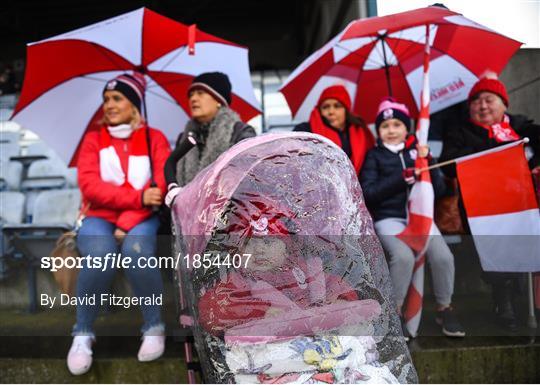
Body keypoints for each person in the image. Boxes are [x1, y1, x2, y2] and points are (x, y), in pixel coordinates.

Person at [68, 73, 171, 375]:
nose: (109, 105)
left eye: (117, 99)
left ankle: (154, 326)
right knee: (100, 255)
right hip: (99, 217)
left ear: (134, 105)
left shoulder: (156, 138)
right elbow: (91, 187)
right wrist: (138, 198)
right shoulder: (92, 140)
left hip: (141, 219)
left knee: (137, 249)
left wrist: (127, 221)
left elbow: (161, 186)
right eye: (106, 100)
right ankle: (82, 333)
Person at [439, 75, 540, 331]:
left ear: (503, 104)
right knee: (495, 254)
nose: (482, 106)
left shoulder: (522, 127)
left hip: (522, 205)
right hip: (482, 209)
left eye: (488, 100)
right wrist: (490, 151)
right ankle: (503, 302)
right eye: (476, 101)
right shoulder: (460, 132)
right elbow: (448, 166)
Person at [360, 97, 465, 338]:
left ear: (407, 128)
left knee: (443, 257)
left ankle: (444, 307)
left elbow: (438, 190)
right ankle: (394, 311)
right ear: (378, 130)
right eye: (385, 126)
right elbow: (369, 194)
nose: (391, 130)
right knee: (403, 257)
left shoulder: (419, 153)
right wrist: (401, 179)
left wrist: (427, 162)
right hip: (389, 218)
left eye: (397, 124)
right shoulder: (374, 156)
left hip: (421, 219)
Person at [164, 72, 256, 206]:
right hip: (188, 216)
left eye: (200, 93)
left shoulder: (240, 132)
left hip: (229, 214)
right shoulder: (184, 138)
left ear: (219, 100)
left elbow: (249, 178)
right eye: (191, 95)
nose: (193, 99)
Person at [294, 84, 374, 176]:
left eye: (337, 106)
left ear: (346, 110)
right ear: (319, 110)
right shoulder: (305, 131)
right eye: (325, 107)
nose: (331, 112)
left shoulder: (360, 131)